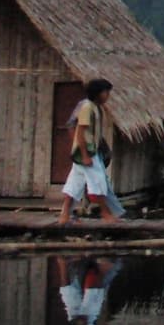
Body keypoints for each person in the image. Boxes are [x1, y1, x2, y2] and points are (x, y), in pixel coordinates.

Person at [59, 77, 126, 225]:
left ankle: (64, 215)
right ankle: (105, 214)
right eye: (105, 92)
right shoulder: (87, 107)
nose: (107, 95)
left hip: (87, 151)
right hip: (87, 152)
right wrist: (85, 155)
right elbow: (81, 131)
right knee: (98, 182)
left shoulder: (95, 108)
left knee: (74, 183)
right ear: (98, 93)